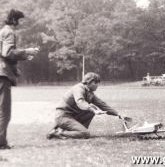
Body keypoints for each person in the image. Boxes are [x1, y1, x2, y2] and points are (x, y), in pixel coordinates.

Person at [0, 9, 39, 149]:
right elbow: (7, 53)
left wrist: (18, 62)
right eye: (21, 20)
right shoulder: (9, 31)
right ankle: (1, 143)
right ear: (15, 20)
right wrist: (26, 51)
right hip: (2, 75)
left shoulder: (2, 31)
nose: (22, 24)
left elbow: (3, 54)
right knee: (4, 111)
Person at [47, 72, 124, 139]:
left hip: (70, 116)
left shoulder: (89, 92)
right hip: (63, 116)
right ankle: (57, 133)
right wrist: (93, 110)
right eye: (95, 83)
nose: (97, 85)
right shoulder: (78, 88)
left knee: (91, 110)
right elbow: (80, 102)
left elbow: (102, 105)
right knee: (85, 134)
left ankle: (76, 131)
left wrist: (118, 114)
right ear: (89, 82)